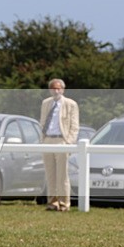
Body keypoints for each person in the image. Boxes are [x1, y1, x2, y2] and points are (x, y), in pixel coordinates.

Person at [39, 78, 79, 211]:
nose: (56, 91)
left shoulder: (71, 104)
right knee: (50, 174)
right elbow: (43, 122)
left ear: (63, 89)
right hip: (48, 140)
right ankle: (52, 202)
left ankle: (64, 203)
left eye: (58, 88)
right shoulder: (46, 103)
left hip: (62, 140)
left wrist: (69, 142)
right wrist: (42, 139)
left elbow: (74, 126)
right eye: (53, 88)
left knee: (62, 175)